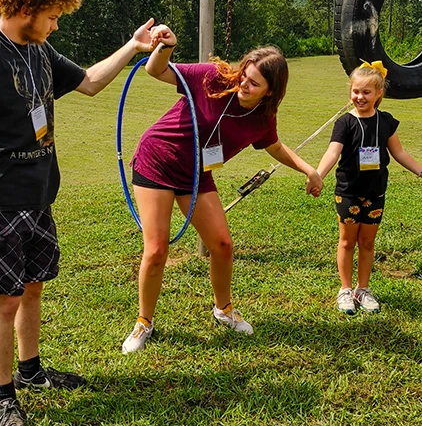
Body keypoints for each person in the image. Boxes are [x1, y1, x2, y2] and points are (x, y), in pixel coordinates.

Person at [0, 0, 158, 426]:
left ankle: (30, 371)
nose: (56, 26)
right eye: (52, 17)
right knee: (4, 300)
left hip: (40, 193)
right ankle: (5, 398)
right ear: (25, 9)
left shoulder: (39, 49)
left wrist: (133, 45)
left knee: (32, 289)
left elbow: (87, 82)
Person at [121, 24, 323, 354]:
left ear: (269, 92)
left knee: (223, 244)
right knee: (157, 250)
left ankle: (223, 309)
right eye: (244, 75)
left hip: (197, 174)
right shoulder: (212, 77)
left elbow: (273, 146)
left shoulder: (262, 116)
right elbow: (154, 70)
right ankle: (144, 321)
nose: (243, 83)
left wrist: (308, 169)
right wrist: (166, 47)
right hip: (157, 159)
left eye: (254, 83)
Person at [316, 61, 422, 316]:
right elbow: (333, 152)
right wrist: (317, 175)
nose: (359, 97)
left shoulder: (386, 122)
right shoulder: (345, 123)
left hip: (376, 193)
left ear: (378, 94)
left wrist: (419, 170)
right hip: (348, 192)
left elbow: (398, 152)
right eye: (355, 91)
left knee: (367, 242)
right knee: (346, 242)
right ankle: (345, 289)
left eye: (366, 92)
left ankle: (363, 289)